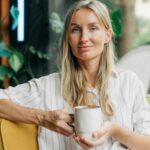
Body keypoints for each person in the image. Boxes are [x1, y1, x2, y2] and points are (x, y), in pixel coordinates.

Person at [0, 0, 150, 149]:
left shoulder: (129, 82)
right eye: (75, 30)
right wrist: (44, 118)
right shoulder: (48, 86)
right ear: (68, 38)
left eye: (93, 28)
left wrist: (116, 131)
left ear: (107, 35)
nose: (84, 38)